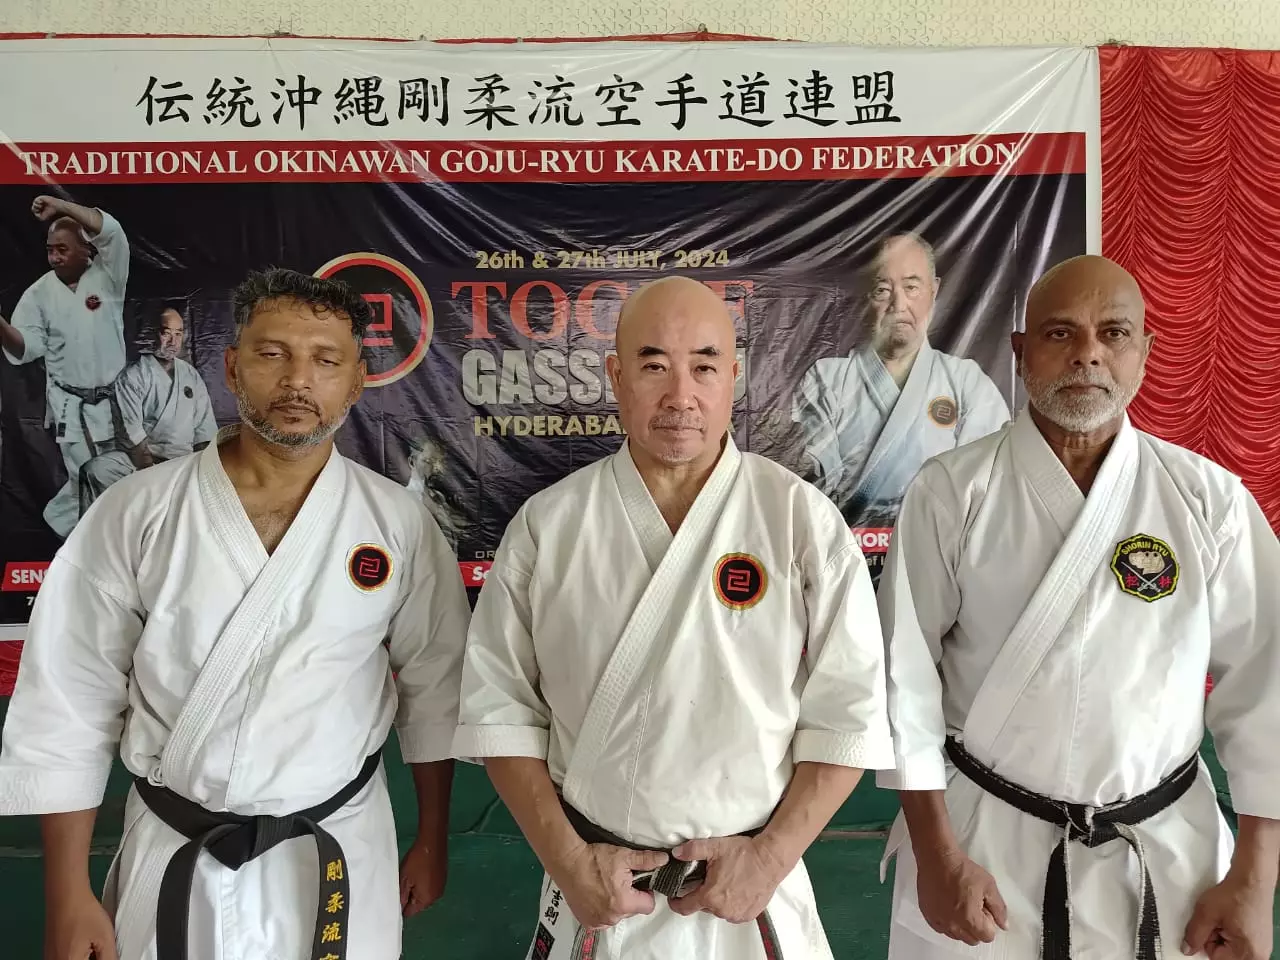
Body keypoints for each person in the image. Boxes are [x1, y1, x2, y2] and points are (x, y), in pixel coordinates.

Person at [0, 267, 472, 960]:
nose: (297, 382)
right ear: (230, 366)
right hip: (176, 843)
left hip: (337, 844)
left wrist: (430, 839)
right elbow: (68, 701)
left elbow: (436, 688)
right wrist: (68, 889)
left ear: (357, 380)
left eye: (324, 360)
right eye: (272, 353)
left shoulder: (396, 524)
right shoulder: (137, 511)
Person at [452, 274, 896, 960]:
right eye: (653, 365)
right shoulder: (550, 525)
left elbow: (849, 716)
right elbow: (498, 711)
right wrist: (568, 862)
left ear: (735, 376)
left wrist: (771, 859)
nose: (680, 395)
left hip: (751, 894)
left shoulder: (798, 518)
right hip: (597, 892)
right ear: (616, 375)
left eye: (705, 366)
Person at [876, 255, 1280, 960]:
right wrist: (938, 857)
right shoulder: (951, 493)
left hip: (1163, 851)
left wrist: (1254, 877)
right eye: (1061, 334)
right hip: (982, 849)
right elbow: (902, 684)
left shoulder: (1207, 500)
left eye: (1114, 333)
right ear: (1021, 352)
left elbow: (1266, 691)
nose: (1090, 352)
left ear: (1145, 353)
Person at [793, 232, 1010, 534]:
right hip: (848, 558)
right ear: (865, 296)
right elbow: (812, 492)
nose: (899, 303)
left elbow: (986, 491)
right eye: (882, 290)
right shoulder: (826, 379)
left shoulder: (967, 383)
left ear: (934, 291)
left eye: (911, 287)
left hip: (936, 557)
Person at [0, 195, 130, 538]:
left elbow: (111, 232)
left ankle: (61, 519)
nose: (55, 257)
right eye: (50, 250)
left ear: (87, 249)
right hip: (71, 405)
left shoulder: (109, 275)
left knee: (115, 472)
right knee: (85, 472)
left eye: (63, 249)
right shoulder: (38, 295)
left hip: (118, 401)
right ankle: (92, 540)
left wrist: (62, 207)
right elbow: (26, 347)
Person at [78, 304, 217, 513]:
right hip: (142, 461)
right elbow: (132, 432)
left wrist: (204, 473)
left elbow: (204, 431)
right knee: (95, 470)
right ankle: (92, 540)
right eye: (166, 333)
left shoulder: (191, 375)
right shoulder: (133, 376)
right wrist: (151, 474)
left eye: (178, 333)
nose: (173, 341)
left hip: (183, 462)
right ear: (154, 334)